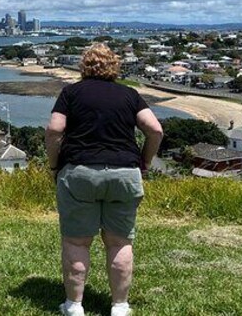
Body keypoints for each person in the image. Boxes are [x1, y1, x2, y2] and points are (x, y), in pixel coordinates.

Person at [46, 44, 163, 316]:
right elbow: (155, 130)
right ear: (115, 66)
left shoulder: (71, 93)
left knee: (76, 242)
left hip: (79, 172)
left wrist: (54, 165)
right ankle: (120, 306)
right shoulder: (130, 94)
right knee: (120, 242)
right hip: (124, 172)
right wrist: (144, 161)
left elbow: (54, 130)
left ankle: (74, 305)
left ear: (83, 66)